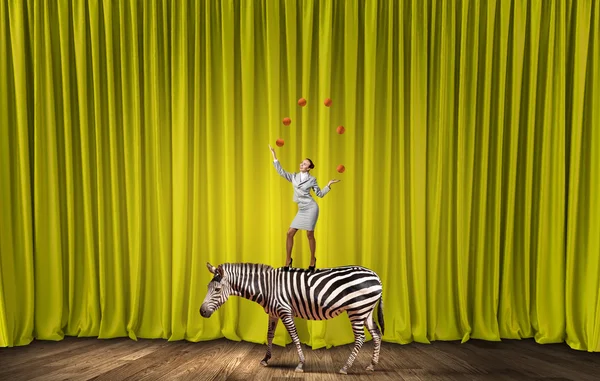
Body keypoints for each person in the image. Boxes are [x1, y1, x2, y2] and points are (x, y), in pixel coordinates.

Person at [269, 144, 341, 271]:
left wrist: (328, 185)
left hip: (311, 208)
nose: (301, 164)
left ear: (309, 168)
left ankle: (313, 259)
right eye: (301, 163)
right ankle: (288, 260)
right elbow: (281, 172)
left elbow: (319, 194)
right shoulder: (294, 176)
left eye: (305, 164)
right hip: (301, 209)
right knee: (290, 233)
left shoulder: (312, 180)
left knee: (309, 234)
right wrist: (274, 156)